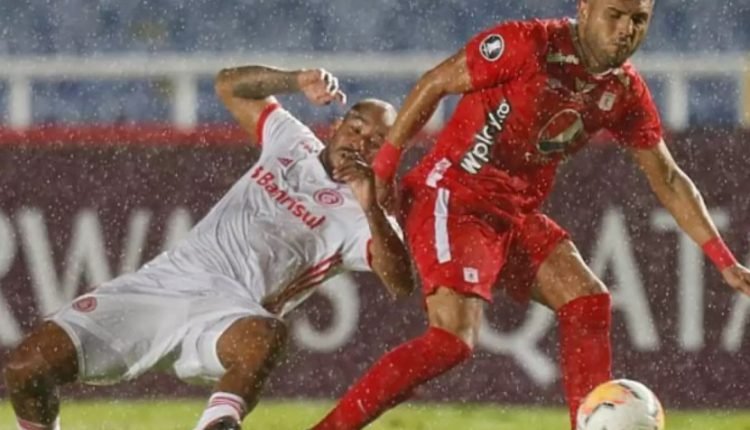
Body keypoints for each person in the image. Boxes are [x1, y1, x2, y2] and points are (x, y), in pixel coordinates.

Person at [311, 0, 750, 429]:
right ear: (584, 8)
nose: (625, 30)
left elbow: (668, 177)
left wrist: (724, 261)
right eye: (614, 15)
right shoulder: (529, 44)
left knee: (586, 300)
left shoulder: (623, 91)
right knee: (452, 339)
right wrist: (385, 169)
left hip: (512, 213)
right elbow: (435, 82)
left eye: (638, 19)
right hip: (452, 196)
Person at [3, 65, 413, 430]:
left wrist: (370, 205)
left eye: (375, 141)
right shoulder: (291, 141)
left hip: (229, 314)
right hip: (162, 286)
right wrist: (295, 80)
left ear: (387, 154)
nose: (359, 142)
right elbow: (229, 84)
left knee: (266, 334)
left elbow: (400, 282)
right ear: (337, 124)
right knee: (27, 366)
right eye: (356, 128)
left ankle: (220, 422)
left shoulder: (363, 213)